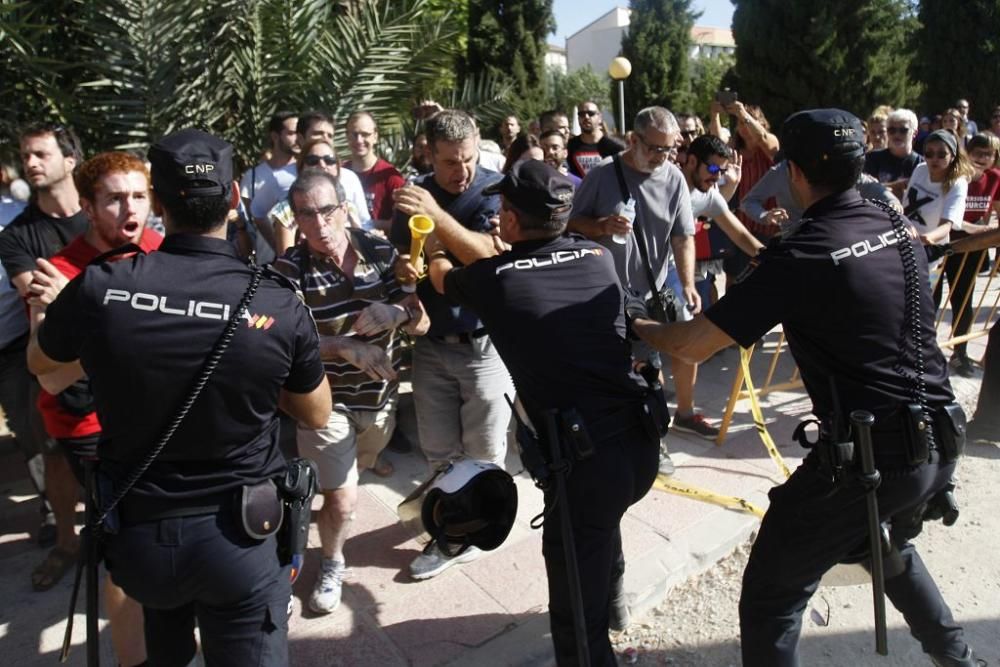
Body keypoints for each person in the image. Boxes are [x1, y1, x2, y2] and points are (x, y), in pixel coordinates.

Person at [633, 108, 984, 667]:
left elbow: (695, 345)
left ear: (794, 173)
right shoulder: (890, 220)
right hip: (941, 436)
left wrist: (639, 326)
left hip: (875, 458)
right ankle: (959, 657)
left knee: (772, 595)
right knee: (881, 543)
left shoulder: (803, 253)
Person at [27, 128, 332, 666]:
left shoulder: (101, 288)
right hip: (242, 541)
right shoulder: (277, 303)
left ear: (159, 204)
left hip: (142, 541)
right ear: (236, 197)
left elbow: (43, 366)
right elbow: (315, 412)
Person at [426, 158, 662, 665]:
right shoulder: (597, 256)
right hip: (640, 447)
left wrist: (432, 242)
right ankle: (616, 604)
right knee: (605, 526)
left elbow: (444, 276)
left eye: (502, 208)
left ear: (510, 220)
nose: (497, 216)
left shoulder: (496, 278)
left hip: (584, 464)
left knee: (575, 607)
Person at [27, 150, 161, 666]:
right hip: (92, 428)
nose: (130, 209)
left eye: (139, 196)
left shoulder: (160, 250)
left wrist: (92, 316)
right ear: (87, 206)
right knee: (125, 552)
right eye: (114, 198)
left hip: (157, 416)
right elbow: (51, 373)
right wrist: (84, 311)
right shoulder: (55, 272)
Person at [274, 170, 428, 614]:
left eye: (326, 210)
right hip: (325, 402)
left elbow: (422, 319)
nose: (319, 224)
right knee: (343, 498)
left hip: (379, 401)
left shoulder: (381, 250)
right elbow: (278, 340)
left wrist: (396, 312)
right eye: (306, 214)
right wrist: (342, 347)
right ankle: (330, 562)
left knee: (345, 483)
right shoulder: (288, 270)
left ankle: (311, 531)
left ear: (344, 207)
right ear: (295, 219)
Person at [390, 109, 514, 580]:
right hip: (431, 345)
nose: (460, 172)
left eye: (467, 159)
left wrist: (435, 216)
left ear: (478, 144)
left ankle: (466, 534)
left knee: (484, 453)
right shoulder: (415, 193)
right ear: (429, 154)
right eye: (448, 163)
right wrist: (404, 272)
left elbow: (485, 256)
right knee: (440, 453)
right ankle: (455, 526)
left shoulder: (496, 189)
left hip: (484, 346)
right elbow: (404, 257)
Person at [568, 106, 695, 468]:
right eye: (656, 148)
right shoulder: (603, 175)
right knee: (604, 372)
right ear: (633, 140)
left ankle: (654, 441)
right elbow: (572, 224)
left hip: (648, 300)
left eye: (669, 149)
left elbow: (683, 236)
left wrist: (687, 284)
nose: (663, 157)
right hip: (601, 297)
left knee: (649, 373)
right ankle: (606, 441)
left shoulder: (673, 178)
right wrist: (603, 227)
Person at [0, 123, 88, 586]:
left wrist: (69, 291)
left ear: (70, 160)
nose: (30, 162)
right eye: (25, 155)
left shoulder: (104, 213)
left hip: (120, 354)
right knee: (55, 451)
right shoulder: (17, 237)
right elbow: (35, 296)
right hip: (53, 358)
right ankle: (66, 542)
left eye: (40, 153)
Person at [939, 132, 1000, 377]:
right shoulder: (955, 176)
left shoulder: (995, 178)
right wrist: (980, 229)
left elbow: (995, 209)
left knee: (963, 300)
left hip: (972, 249)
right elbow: (947, 215)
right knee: (928, 300)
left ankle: (960, 352)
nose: (982, 158)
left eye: (988, 154)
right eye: (977, 152)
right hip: (941, 243)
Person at [271, 138, 369, 254]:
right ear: (301, 167)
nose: (322, 165)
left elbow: (361, 246)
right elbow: (286, 261)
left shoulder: (347, 204)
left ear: (337, 167)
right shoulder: (286, 210)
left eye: (329, 160)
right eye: (313, 160)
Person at [343, 111, 406, 231]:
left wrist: (368, 225)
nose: (359, 140)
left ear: (375, 136)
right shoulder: (339, 173)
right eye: (354, 134)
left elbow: (401, 224)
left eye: (365, 134)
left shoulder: (391, 177)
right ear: (347, 136)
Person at [864, 108, 923, 199]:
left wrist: (884, 187)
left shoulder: (922, 164)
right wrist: (897, 186)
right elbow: (865, 189)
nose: (897, 135)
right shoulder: (872, 158)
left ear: (915, 133)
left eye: (903, 130)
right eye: (892, 130)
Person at [567, 101, 624, 178]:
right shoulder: (570, 146)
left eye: (591, 113)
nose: (586, 117)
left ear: (600, 117)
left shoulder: (615, 146)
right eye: (582, 114)